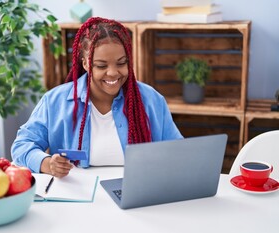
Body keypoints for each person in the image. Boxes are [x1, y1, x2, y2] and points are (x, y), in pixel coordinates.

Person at [11, 17, 183, 178]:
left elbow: (178, 152)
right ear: (85, 64)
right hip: (77, 198)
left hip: (138, 193)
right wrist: (46, 164)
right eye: (101, 65)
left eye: (122, 63)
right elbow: (22, 145)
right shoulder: (55, 102)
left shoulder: (151, 100)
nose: (113, 73)